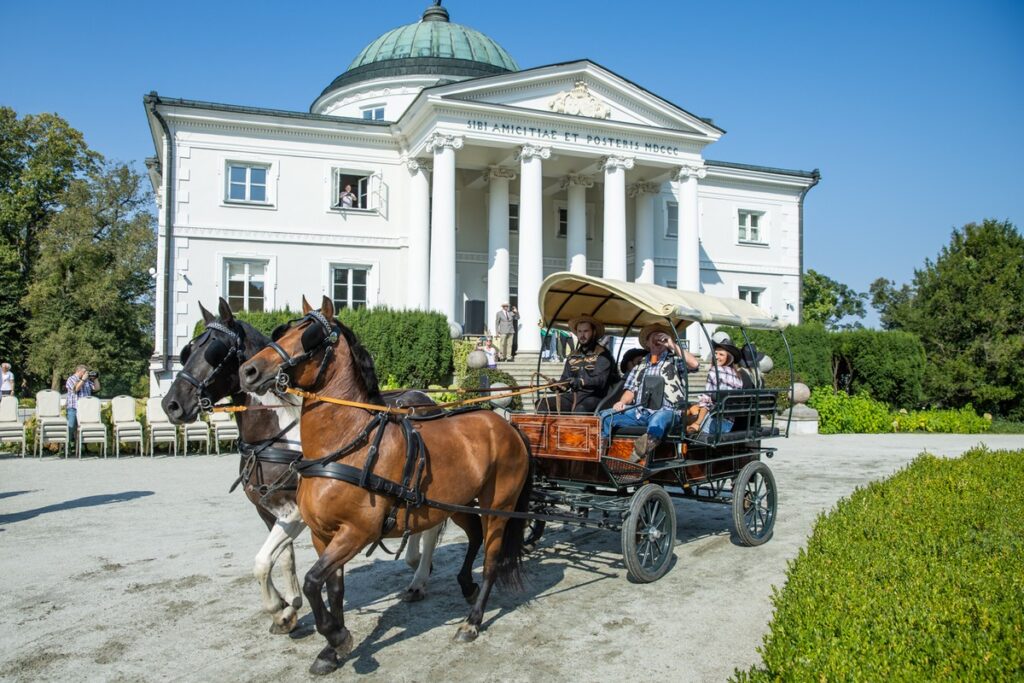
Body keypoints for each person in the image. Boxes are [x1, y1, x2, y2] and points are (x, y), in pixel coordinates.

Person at [599, 323, 700, 462]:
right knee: (605, 415)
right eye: (654, 336)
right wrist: (621, 402)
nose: (658, 339)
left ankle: (640, 452)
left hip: (668, 411)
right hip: (640, 413)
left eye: (661, 337)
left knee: (658, 419)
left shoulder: (675, 361)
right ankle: (602, 453)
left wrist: (671, 344)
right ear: (647, 342)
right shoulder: (640, 366)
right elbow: (630, 391)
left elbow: (694, 364)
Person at [537, 315, 617, 414]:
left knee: (580, 410)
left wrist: (581, 382)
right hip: (574, 396)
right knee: (541, 403)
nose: (582, 335)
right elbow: (565, 379)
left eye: (586, 331)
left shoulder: (603, 354)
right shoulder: (572, 355)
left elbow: (600, 380)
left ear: (593, 332)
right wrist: (557, 385)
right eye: (579, 331)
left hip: (596, 397)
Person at [686, 340, 745, 434]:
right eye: (716, 353)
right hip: (729, 424)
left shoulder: (715, 371)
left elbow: (706, 401)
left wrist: (697, 423)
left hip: (714, 422)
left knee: (682, 426)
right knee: (693, 408)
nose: (716, 357)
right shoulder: (737, 375)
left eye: (721, 354)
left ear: (729, 357)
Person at [65, 365, 100, 451]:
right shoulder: (71, 379)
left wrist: (95, 378)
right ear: (79, 371)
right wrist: (83, 379)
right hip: (73, 408)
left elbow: (97, 388)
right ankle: (66, 448)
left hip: (85, 409)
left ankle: (80, 448)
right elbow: (76, 389)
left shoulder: (87, 380)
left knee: (83, 428)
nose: (86, 374)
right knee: (71, 427)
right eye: (85, 372)